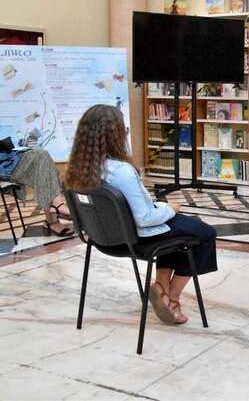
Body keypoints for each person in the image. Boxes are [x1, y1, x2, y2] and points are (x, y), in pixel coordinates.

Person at [65, 105, 217, 326]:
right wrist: (169, 208)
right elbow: (145, 219)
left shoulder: (80, 169)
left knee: (186, 227)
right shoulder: (122, 171)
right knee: (205, 233)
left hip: (102, 238)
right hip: (139, 237)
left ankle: (161, 286)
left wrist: (161, 208)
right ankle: (172, 298)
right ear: (115, 134)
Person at [1, 137, 74, 236]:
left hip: (9, 157)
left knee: (42, 156)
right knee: (41, 159)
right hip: (5, 166)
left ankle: (53, 214)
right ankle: (55, 210)